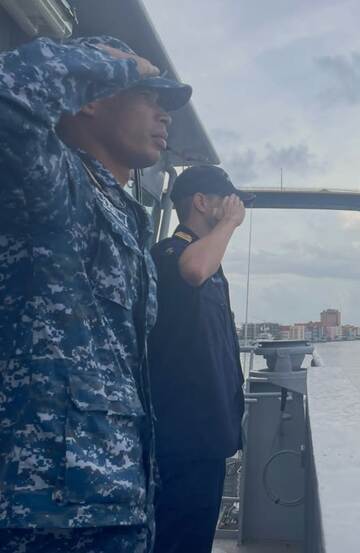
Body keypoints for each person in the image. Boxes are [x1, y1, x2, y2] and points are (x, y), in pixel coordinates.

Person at [0, 36, 192, 551]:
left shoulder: (125, 212)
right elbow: (7, 96)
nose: (165, 115)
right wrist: (111, 64)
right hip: (42, 512)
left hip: (113, 500)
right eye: (150, 96)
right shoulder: (50, 185)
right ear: (91, 97)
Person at [148, 165, 251, 552]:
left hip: (207, 436)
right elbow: (192, 269)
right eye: (226, 200)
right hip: (180, 437)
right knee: (176, 538)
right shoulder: (169, 254)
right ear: (201, 202)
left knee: (195, 536)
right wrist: (229, 226)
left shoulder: (210, 261)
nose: (235, 208)